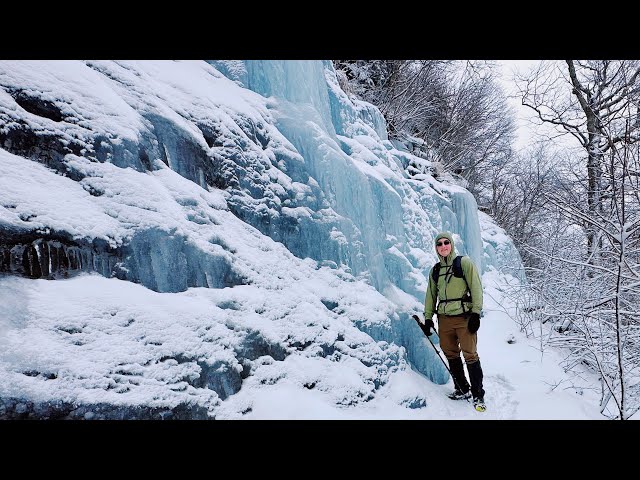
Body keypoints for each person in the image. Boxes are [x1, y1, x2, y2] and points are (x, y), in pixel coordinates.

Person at [422, 231, 486, 411]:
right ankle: (462, 388)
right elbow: (431, 295)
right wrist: (428, 318)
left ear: (451, 244)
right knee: (450, 353)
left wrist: (475, 313)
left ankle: (478, 394)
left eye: (446, 243)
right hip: (444, 320)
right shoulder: (435, 270)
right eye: (439, 244)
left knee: (470, 355)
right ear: (436, 248)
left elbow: (476, 288)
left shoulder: (463, 263)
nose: (443, 246)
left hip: (464, 318)